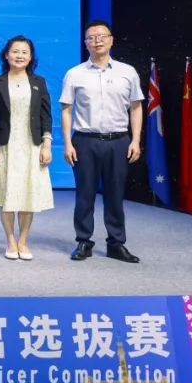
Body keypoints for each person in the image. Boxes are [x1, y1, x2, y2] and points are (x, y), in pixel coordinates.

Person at [61, 20, 143, 263]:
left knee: (115, 194)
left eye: (102, 36)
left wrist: (135, 140)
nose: (97, 40)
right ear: (85, 43)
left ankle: (116, 243)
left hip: (119, 141)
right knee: (84, 195)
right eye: (91, 37)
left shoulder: (127, 72)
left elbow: (136, 107)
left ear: (111, 40)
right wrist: (68, 143)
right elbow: (67, 110)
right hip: (85, 141)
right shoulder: (75, 73)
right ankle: (83, 241)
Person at [0, 35, 54, 261]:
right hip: (5, 146)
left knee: (28, 194)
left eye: (24, 52)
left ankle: (23, 240)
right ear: (6, 55)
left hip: (32, 146)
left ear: (30, 57)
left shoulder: (39, 82)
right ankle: (10, 241)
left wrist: (47, 144)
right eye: (15, 51)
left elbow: (46, 116)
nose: (19, 56)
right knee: (7, 194)